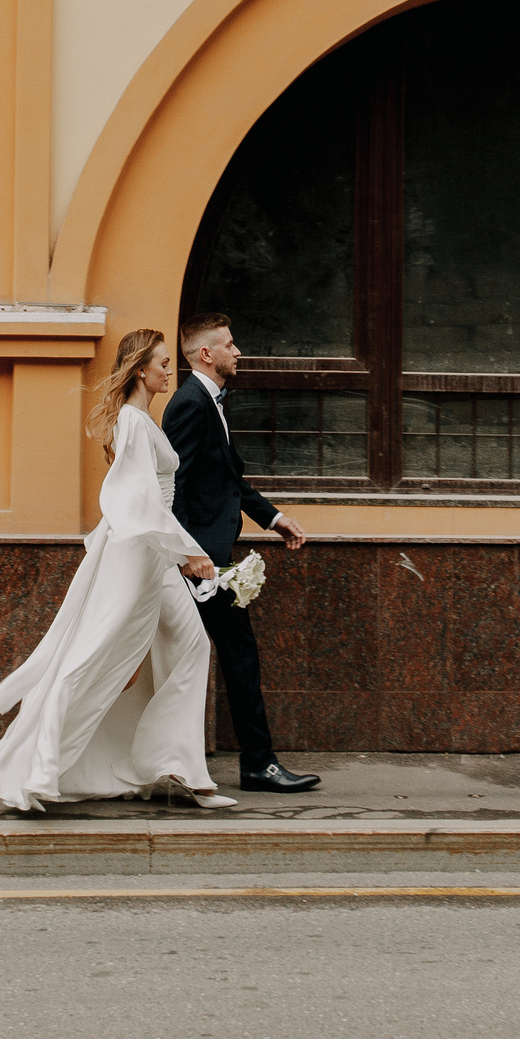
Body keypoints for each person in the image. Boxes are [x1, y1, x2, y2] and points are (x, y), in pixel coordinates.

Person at [0, 328, 235, 813]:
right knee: (93, 654)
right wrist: (189, 551)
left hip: (154, 552)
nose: (168, 370)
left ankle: (175, 767)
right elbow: (137, 500)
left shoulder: (142, 421)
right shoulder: (133, 422)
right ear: (139, 370)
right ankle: (39, 767)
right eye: (160, 363)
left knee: (192, 645)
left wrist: (179, 551)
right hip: (137, 554)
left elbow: (152, 499)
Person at [164, 313, 320, 794]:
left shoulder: (208, 401)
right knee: (238, 655)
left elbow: (228, 480)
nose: (238, 352)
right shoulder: (190, 404)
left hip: (207, 555)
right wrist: (190, 555)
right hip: (201, 562)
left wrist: (274, 518)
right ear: (206, 354)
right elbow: (174, 487)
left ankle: (255, 763)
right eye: (229, 345)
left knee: (230, 656)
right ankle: (258, 764)